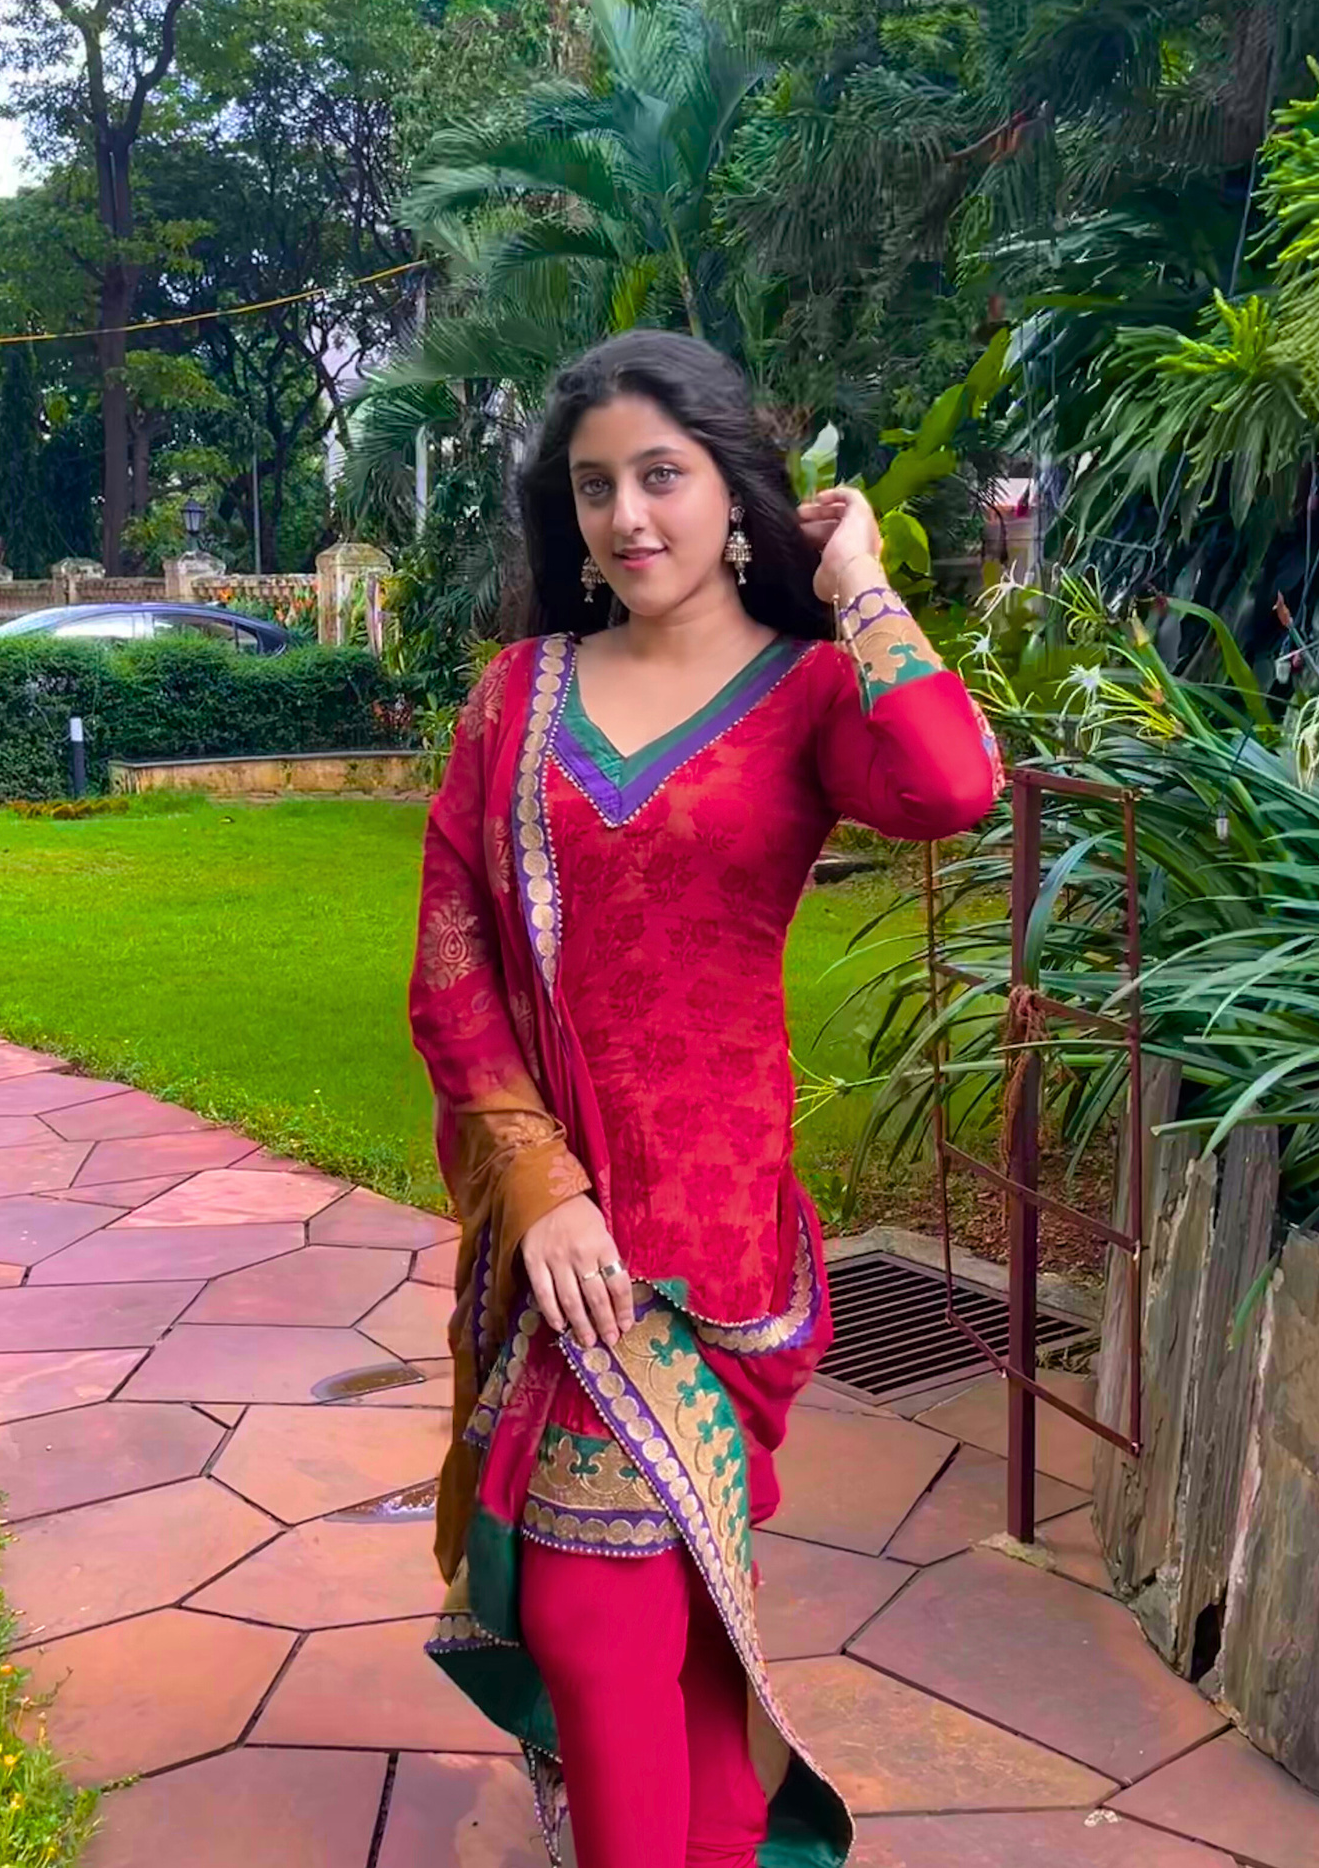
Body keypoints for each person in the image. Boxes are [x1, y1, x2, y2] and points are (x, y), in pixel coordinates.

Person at [408, 331, 1003, 1868]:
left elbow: (949, 782)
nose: (626, 516)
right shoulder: (516, 696)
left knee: (649, 1627)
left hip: (715, 1233)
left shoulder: (805, 693)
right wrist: (538, 1184)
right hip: (564, 1248)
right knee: (617, 1624)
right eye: (594, 485)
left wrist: (856, 578)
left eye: (661, 475)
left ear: (734, 488)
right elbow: (450, 963)